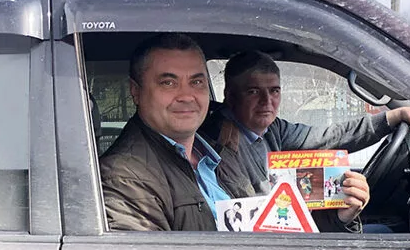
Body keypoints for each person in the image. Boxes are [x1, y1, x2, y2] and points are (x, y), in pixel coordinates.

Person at [100, 34, 368, 232]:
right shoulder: (125, 178)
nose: (187, 96)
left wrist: (338, 217)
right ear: (135, 91)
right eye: (168, 82)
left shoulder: (216, 153)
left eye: (196, 82)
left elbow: (265, 226)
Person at [199, 50, 410, 196]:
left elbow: (328, 138)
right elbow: (251, 208)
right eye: (253, 91)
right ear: (230, 96)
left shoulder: (273, 129)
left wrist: (393, 116)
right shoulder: (220, 142)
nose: (267, 101)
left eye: (274, 91)